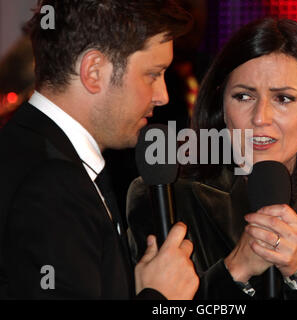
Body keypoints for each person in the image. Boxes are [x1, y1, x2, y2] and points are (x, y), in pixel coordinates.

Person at [127, 18, 297, 299]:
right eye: (243, 96)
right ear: (221, 104)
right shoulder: (163, 197)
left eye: (284, 99)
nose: (260, 118)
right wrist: (234, 270)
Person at [0, 0, 199, 299]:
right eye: (153, 74)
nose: (163, 96)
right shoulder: (52, 185)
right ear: (94, 71)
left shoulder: (37, 152)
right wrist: (159, 298)